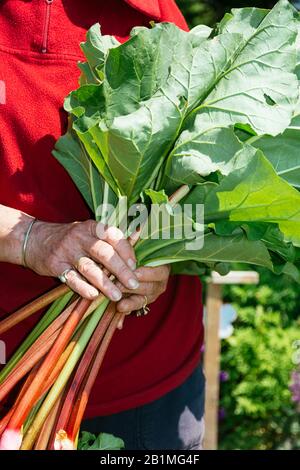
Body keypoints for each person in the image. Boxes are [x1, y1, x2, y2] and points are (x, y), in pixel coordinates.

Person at [0, 0, 205, 450]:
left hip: (151, 394)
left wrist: (158, 253)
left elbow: (197, 198)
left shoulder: (161, 21)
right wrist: (25, 237)